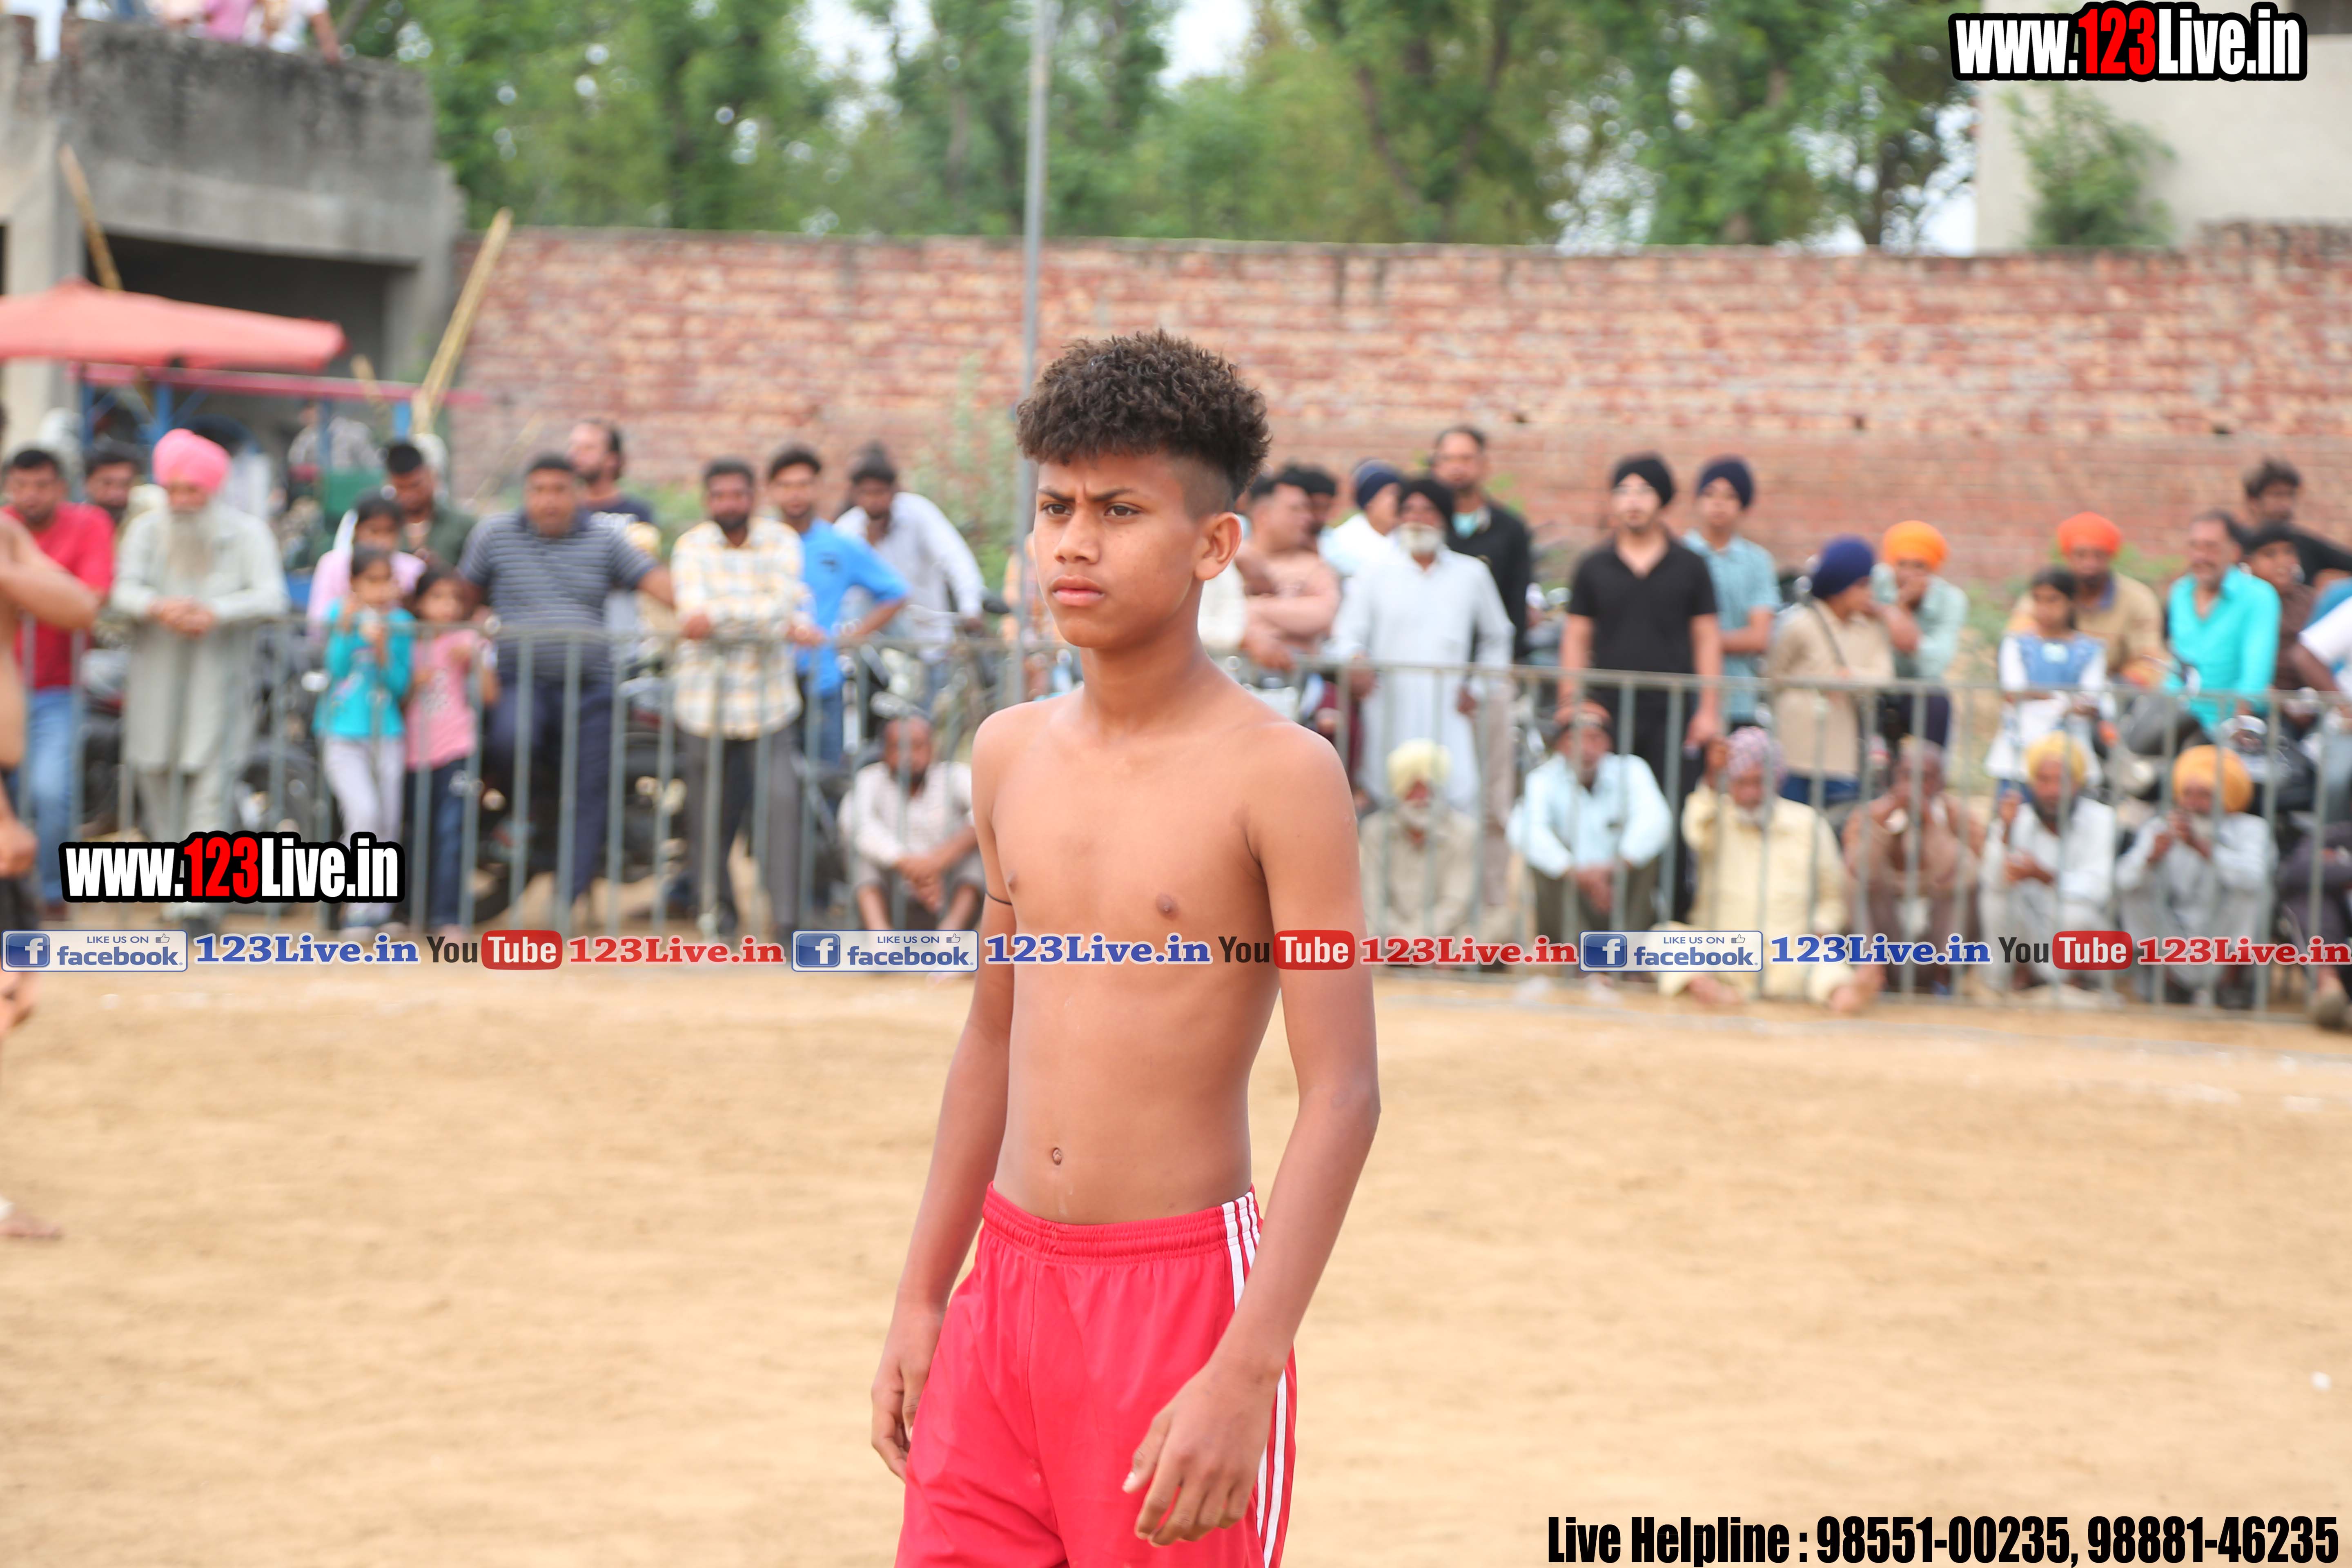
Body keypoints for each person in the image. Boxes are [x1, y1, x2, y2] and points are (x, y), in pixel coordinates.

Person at [874, 331, 1376, 1566]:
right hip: (1004, 1290)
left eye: (1119, 509)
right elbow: (992, 1033)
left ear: (1214, 544)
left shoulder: (1281, 775)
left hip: (1179, 1302)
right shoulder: (1006, 751)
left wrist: (1244, 1369)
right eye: (1055, 507)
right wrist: (925, 1291)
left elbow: (1343, 1092)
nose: (1073, 543)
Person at [459, 455, 674, 915]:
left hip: (590, 684)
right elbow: (462, 595)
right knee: (510, 739)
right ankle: (536, 811)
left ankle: (567, 897)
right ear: (526, 494)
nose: (549, 501)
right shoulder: (494, 535)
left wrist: (703, 610)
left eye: (559, 490)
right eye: (539, 490)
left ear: (576, 494)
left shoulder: (605, 537)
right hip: (520, 678)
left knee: (591, 784)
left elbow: (655, 581)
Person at [109, 430, 290, 880]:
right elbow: (122, 590)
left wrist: (217, 613)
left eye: (191, 490)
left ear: (212, 489)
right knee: (153, 773)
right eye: (172, 490)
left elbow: (272, 597)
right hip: (156, 680)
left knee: (212, 781)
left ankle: (198, 898)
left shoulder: (248, 534)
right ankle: (176, 884)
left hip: (219, 682)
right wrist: (157, 607)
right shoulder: (146, 531)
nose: (181, 501)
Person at [671, 458, 823, 940]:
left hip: (769, 703)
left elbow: (776, 605)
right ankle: (719, 918)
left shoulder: (782, 541)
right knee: (708, 818)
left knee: (783, 808)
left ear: (753, 498)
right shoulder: (691, 545)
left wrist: (721, 619)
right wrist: (770, 621)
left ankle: (787, 922)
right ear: (707, 500)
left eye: (737, 494)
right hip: (703, 704)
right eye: (720, 495)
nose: (729, 503)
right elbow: (692, 612)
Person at [1329, 477, 1513, 819]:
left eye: (1428, 511)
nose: (1417, 519)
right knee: (1387, 798)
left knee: (1455, 797)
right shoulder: (1375, 572)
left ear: (1443, 518)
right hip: (1388, 702)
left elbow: (1498, 636)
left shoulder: (1470, 574)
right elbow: (1346, 634)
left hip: (1449, 705)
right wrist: (1356, 661)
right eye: (1409, 510)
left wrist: (1479, 688)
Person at [1558, 452, 1722, 815]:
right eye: (1623, 491)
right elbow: (1576, 637)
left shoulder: (1690, 565)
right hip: (1608, 708)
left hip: (1673, 708)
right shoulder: (1593, 566)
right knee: (1608, 810)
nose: (1633, 502)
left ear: (1662, 499)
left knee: (1673, 808)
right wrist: (1570, 702)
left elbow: (1707, 638)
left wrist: (1709, 710)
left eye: (1644, 491)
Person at [1671, 727, 1873, 1014]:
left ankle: (1844, 995)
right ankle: (1709, 988)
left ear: (1776, 781)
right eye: (1742, 783)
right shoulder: (1714, 817)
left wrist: (1822, 928)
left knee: (1825, 963)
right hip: (1724, 955)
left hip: (1788, 954)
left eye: (1759, 782)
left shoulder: (1808, 823)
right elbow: (1694, 833)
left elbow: (1833, 896)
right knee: (1666, 939)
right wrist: (1711, 780)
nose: (1751, 793)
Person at [2, 448, 111, 913]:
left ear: (61, 487)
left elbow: (85, 602)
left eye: (41, 485)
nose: (30, 495)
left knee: (49, 792)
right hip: (14, 699)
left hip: (54, 689)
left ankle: (51, 893)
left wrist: (10, 579)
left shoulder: (8, 534)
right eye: (21, 485)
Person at [763, 445, 908, 768]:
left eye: (803, 484)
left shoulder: (837, 545)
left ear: (817, 488)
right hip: (768, 683)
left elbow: (895, 592)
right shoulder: (761, 543)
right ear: (772, 490)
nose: (795, 494)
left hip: (822, 683)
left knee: (825, 778)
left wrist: (854, 635)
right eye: (786, 486)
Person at [1509, 694, 1672, 945]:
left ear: (1609, 743)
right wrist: (1574, 873)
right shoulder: (1542, 779)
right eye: (1575, 738)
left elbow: (1656, 821)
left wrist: (1615, 868)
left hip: (1620, 889)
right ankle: (1576, 955)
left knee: (1645, 857)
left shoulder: (1632, 769)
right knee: (1545, 865)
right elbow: (1525, 831)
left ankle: (1628, 953)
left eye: (1595, 738)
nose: (1586, 748)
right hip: (1571, 894)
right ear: (1560, 745)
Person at [2116, 746, 2272, 1006]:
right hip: (2174, 936)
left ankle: (2228, 986)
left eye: (2205, 795)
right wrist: (2150, 859)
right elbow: (2121, 881)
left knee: (2253, 893)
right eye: (2187, 794)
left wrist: (2203, 849)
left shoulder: (2252, 829)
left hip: (2222, 932)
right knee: (2135, 889)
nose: (2193, 804)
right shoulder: (2160, 829)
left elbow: (2255, 878)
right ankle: (2171, 984)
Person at [1765, 535, 1894, 826]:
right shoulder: (1801, 624)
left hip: (1843, 756)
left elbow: (1884, 677)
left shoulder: (1871, 629)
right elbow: (1775, 674)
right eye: (1862, 585)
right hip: (1796, 752)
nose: (1869, 593)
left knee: (1840, 828)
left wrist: (1847, 678)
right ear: (1840, 586)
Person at [316, 549, 413, 929]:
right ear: (355, 583)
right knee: (364, 815)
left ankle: (379, 911)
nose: (381, 588)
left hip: (387, 731)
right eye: (372, 580)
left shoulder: (402, 623)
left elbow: (399, 684)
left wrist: (384, 647)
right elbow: (336, 669)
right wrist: (346, 631)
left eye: (387, 579)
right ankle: (356, 906)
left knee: (387, 821)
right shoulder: (338, 614)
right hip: (342, 730)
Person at [1979, 732, 2117, 993]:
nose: (2053, 791)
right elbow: (1992, 881)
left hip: (2084, 933)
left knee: (2075, 915)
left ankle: (2064, 980)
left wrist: (2046, 877)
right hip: (2034, 933)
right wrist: (2006, 833)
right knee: (1997, 899)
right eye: (2044, 781)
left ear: (2079, 783)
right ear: (2031, 783)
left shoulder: (2103, 820)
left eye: (2062, 781)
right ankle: (2010, 979)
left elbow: (2098, 889)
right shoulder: (2016, 819)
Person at [1840, 739, 1981, 993]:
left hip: (1937, 927)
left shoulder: (1960, 818)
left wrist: (1930, 822)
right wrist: (1880, 826)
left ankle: (1944, 979)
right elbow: (1860, 870)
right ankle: (1874, 974)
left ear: (1940, 782)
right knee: (1855, 883)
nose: (1913, 786)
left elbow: (1965, 875)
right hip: (1889, 926)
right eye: (1906, 776)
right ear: (1894, 777)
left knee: (1962, 884)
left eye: (1924, 778)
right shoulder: (1868, 815)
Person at [404, 566, 495, 938]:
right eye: (438, 597)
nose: (447, 607)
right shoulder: (407, 643)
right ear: (419, 602)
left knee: (452, 831)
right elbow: (398, 700)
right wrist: (414, 684)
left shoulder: (467, 641)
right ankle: (412, 911)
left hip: (457, 748)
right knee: (415, 833)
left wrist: (475, 659)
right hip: (413, 752)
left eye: (455, 599)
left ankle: (448, 915)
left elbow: (490, 695)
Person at [837, 448, 986, 673]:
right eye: (866, 493)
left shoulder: (919, 514)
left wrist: (971, 608)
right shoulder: (847, 531)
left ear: (894, 491)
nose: (873, 500)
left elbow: (955, 558)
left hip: (927, 640)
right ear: (855, 495)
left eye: (879, 492)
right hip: (873, 653)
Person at [844, 715, 982, 932]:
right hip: (894, 889)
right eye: (899, 747)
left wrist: (937, 861)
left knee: (979, 851)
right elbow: (857, 825)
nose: (909, 756)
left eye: (918, 746)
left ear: (932, 749)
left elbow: (985, 812)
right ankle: (881, 938)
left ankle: (949, 936)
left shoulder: (955, 776)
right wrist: (910, 865)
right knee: (861, 856)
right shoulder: (870, 778)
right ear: (884, 752)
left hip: (946, 889)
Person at [2004, 512, 2165, 688]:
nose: (2090, 563)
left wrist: (2108, 691)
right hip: (2041, 689)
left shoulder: (2138, 600)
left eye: (2099, 555)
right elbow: (2018, 643)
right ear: (2067, 556)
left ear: (2111, 556)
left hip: (2111, 691)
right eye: (2081, 555)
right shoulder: (2046, 593)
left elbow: (2149, 661)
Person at [1985, 567, 2107, 795]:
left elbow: (2091, 699)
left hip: (2070, 754)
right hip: (2020, 751)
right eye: (2038, 600)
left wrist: (2043, 697)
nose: (2045, 608)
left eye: (2053, 600)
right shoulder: (2016, 643)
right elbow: (2014, 690)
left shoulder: (2090, 649)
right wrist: (2064, 702)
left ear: (2071, 602)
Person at [1683, 455, 1780, 731]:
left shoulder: (1757, 562)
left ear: (1743, 506)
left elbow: (1759, 636)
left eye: (1730, 496)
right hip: (1684, 692)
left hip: (1738, 696)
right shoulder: (1678, 556)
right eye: (1710, 494)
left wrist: (1704, 641)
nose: (1718, 503)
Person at [1429, 425, 1535, 664]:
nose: (1457, 467)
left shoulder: (1510, 529)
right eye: (1448, 459)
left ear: (1484, 464)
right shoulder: (1423, 530)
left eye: (1466, 459)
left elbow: (1516, 599)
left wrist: (1513, 657)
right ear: (1436, 465)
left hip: (1489, 660)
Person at [2166, 509, 2279, 728]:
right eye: (2195, 547)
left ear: (2234, 552)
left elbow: (2255, 677)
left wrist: (2234, 729)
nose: (2200, 557)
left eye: (2211, 548)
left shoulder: (2258, 597)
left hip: (2228, 727)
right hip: (2176, 723)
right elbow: (2177, 666)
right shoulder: (2180, 592)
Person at [1359, 740, 1479, 943]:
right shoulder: (1375, 831)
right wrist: (1400, 938)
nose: (1423, 798)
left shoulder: (1465, 832)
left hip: (1445, 936)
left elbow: (1455, 904)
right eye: (1414, 788)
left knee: (1488, 930)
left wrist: (1413, 939)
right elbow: (1373, 899)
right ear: (1399, 791)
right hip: (1386, 934)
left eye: (1429, 787)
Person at [1872, 520, 1966, 746]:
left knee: (1937, 703)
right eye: (1902, 564)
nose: (1909, 574)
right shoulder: (1873, 584)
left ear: (1933, 570)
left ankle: (1930, 765)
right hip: (1875, 687)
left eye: (1919, 566)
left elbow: (1935, 665)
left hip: (1918, 691)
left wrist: (1901, 611)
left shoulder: (1951, 600)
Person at [1238, 469, 1341, 671]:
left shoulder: (1315, 566)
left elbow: (1322, 614)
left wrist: (1252, 609)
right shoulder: (1230, 559)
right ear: (1263, 515)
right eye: (1295, 510)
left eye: (1306, 510)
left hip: (1298, 682)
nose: (1307, 518)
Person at [2241, 522, 2339, 692]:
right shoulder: (2243, 602)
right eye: (2270, 555)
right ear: (2250, 563)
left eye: (2289, 552)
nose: (2283, 562)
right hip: (2257, 696)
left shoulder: (2310, 601)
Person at [2227, 457, 2352, 586]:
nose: (2285, 504)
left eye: (2290, 495)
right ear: (2253, 501)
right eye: (2277, 495)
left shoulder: (2304, 544)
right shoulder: (2236, 545)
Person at [2279, 820, 2352, 1030]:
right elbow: (2298, 871)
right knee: (2311, 898)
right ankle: (2329, 987)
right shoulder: (2335, 834)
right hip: (2338, 929)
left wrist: (2337, 865)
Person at [307, 496, 423, 627]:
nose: (381, 540)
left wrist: (405, 601)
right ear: (357, 530)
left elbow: (424, 625)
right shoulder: (332, 564)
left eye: (389, 531)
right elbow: (317, 622)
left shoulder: (415, 569)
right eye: (374, 531)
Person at [382, 439, 477, 569]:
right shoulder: (381, 525)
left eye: (415, 485)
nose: (409, 494)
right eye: (401, 488)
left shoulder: (462, 525)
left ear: (432, 477)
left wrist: (440, 570)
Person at [1317, 461, 1402, 581]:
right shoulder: (1343, 539)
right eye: (1392, 495)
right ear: (1370, 501)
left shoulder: (1405, 536)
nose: (1400, 503)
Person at [566, 420, 656, 527]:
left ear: (612, 459)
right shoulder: (564, 513)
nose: (575, 454)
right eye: (573, 446)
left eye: (588, 448)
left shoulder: (636, 515)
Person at [82, 443, 142, 532]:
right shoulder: (75, 525)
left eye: (125, 484)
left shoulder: (143, 520)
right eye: (107, 483)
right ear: (87, 483)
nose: (116, 493)